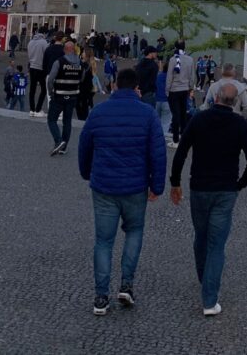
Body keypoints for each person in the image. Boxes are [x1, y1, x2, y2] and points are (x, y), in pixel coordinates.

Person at [78, 68, 167, 314]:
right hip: (135, 186)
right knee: (134, 232)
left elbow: (84, 146)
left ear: (116, 85)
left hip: (104, 185)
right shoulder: (147, 114)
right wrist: (156, 186)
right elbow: (158, 154)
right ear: (137, 87)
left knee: (103, 241)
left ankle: (100, 297)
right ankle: (126, 285)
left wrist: (87, 173)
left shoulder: (99, 112)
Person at [169, 83, 247, 316]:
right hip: (226, 189)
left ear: (215, 98)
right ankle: (210, 299)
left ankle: (205, 278)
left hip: (200, 186)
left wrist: (175, 181)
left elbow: (181, 151)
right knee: (217, 243)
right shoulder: (240, 124)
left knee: (201, 236)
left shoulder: (199, 119)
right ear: (235, 102)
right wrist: (240, 184)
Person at [47, 40, 83, 156]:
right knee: (67, 122)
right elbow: (82, 78)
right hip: (73, 96)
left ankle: (58, 141)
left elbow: (50, 79)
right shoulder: (80, 63)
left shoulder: (59, 62)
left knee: (51, 119)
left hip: (59, 95)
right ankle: (63, 147)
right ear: (73, 49)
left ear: (65, 49)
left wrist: (50, 91)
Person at [166, 41, 195, 148]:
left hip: (174, 90)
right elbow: (192, 76)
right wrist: (190, 87)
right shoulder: (190, 59)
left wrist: (167, 90)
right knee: (183, 114)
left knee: (176, 115)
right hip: (185, 89)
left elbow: (169, 76)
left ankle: (175, 139)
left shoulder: (173, 60)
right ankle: (183, 137)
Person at [27, 27, 49, 118]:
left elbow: (29, 55)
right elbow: (46, 55)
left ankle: (32, 109)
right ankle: (38, 109)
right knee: (43, 89)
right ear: (44, 33)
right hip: (41, 68)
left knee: (32, 89)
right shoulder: (44, 42)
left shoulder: (30, 42)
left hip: (32, 67)